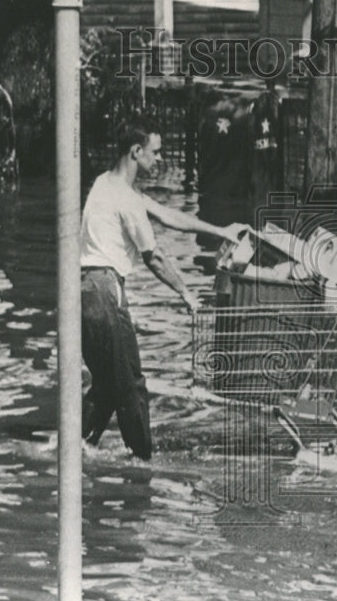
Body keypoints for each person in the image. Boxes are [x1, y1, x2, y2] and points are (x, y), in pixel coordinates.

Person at [80, 126, 245, 460]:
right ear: (136, 152)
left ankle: (73, 448)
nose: (159, 158)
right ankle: (142, 464)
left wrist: (219, 230)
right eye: (154, 151)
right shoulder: (125, 198)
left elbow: (167, 215)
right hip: (105, 291)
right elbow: (153, 256)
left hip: (84, 291)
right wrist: (186, 294)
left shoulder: (105, 184)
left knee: (108, 387)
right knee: (132, 385)